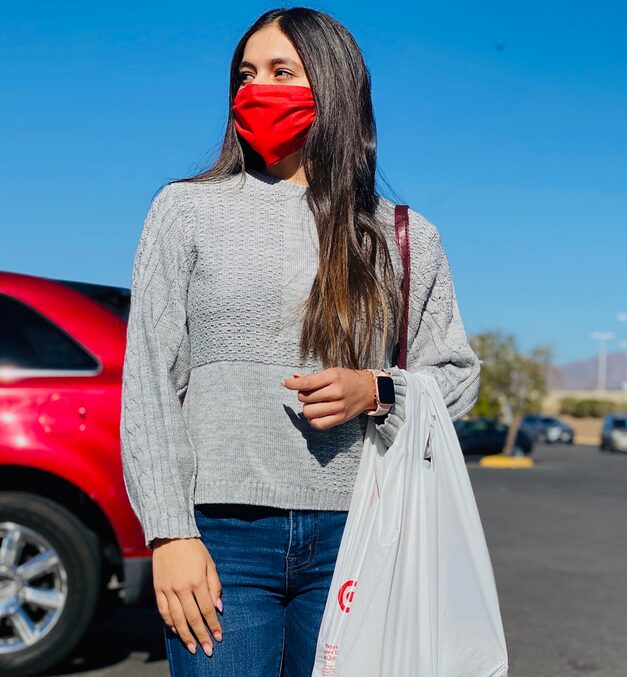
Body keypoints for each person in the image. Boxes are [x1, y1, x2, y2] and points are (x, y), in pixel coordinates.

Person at [119, 6, 481, 676]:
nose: (257, 89)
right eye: (246, 74)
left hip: (360, 536)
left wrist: (377, 389)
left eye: (282, 71)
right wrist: (170, 531)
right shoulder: (186, 210)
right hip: (222, 537)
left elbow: (457, 375)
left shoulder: (403, 235)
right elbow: (147, 381)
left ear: (335, 86)